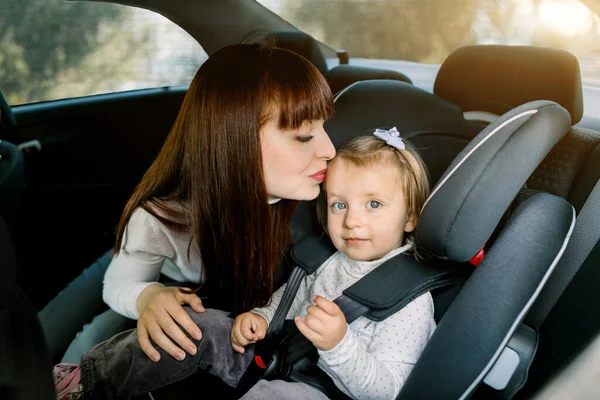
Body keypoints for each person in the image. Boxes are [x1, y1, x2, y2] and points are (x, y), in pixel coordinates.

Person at [47, 34, 336, 391]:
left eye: (325, 128)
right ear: (235, 140)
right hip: (153, 271)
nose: (330, 149)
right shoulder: (162, 215)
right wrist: (147, 296)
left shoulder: (319, 201)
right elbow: (121, 283)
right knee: (87, 334)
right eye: (305, 136)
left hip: (214, 289)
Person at [55, 129, 436, 400]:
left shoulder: (409, 301)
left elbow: (388, 391)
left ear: (410, 218)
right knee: (196, 326)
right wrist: (261, 317)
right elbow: (289, 297)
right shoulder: (328, 256)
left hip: (324, 388)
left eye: (374, 205)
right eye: (340, 205)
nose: (353, 220)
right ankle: (88, 383)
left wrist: (339, 344)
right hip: (275, 355)